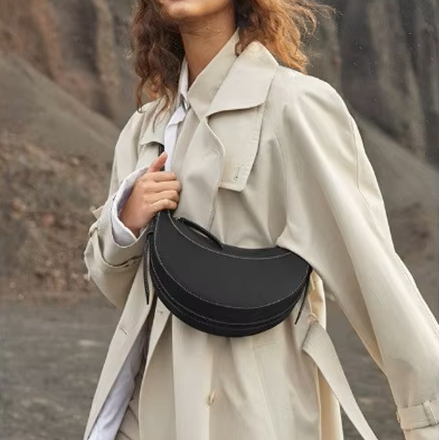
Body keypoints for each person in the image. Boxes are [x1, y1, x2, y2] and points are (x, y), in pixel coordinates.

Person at [83, 1, 439, 439]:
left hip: (249, 407)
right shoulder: (144, 129)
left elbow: (373, 273)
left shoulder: (296, 106)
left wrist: (428, 417)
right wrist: (125, 221)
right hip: (146, 406)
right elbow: (118, 286)